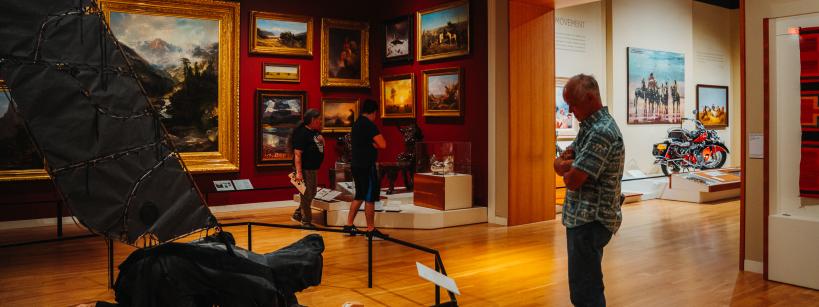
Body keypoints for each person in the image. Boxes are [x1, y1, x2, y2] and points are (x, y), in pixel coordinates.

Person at [553, 74, 625, 307]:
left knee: (586, 291)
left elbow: (573, 180)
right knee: (583, 286)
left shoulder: (601, 131)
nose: (571, 110)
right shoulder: (589, 128)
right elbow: (559, 163)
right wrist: (568, 165)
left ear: (591, 98)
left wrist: (569, 167)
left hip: (590, 220)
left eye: (573, 104)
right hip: (581, 219)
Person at [344, 99, 388, 238]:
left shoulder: (356, 124)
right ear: (374, 112)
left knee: (360, 195)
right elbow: (383, 145)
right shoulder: (369, 125)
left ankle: (349, 225)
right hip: (367, 165)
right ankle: (370, 229)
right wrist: (373, 145)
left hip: (356, 164)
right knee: (369, 197)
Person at [291, 109, 324, 229]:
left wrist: (321, 140)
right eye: (319, 119)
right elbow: (297, 154)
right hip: (304, 169)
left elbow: (320, 146)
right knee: (306, 194)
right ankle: (306, 221)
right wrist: (299, 172)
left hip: (312, 168)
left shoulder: (314, 132)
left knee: (312, 193)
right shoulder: (302, 133)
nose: (321, 121)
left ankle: (298, 213)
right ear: (313, 120)